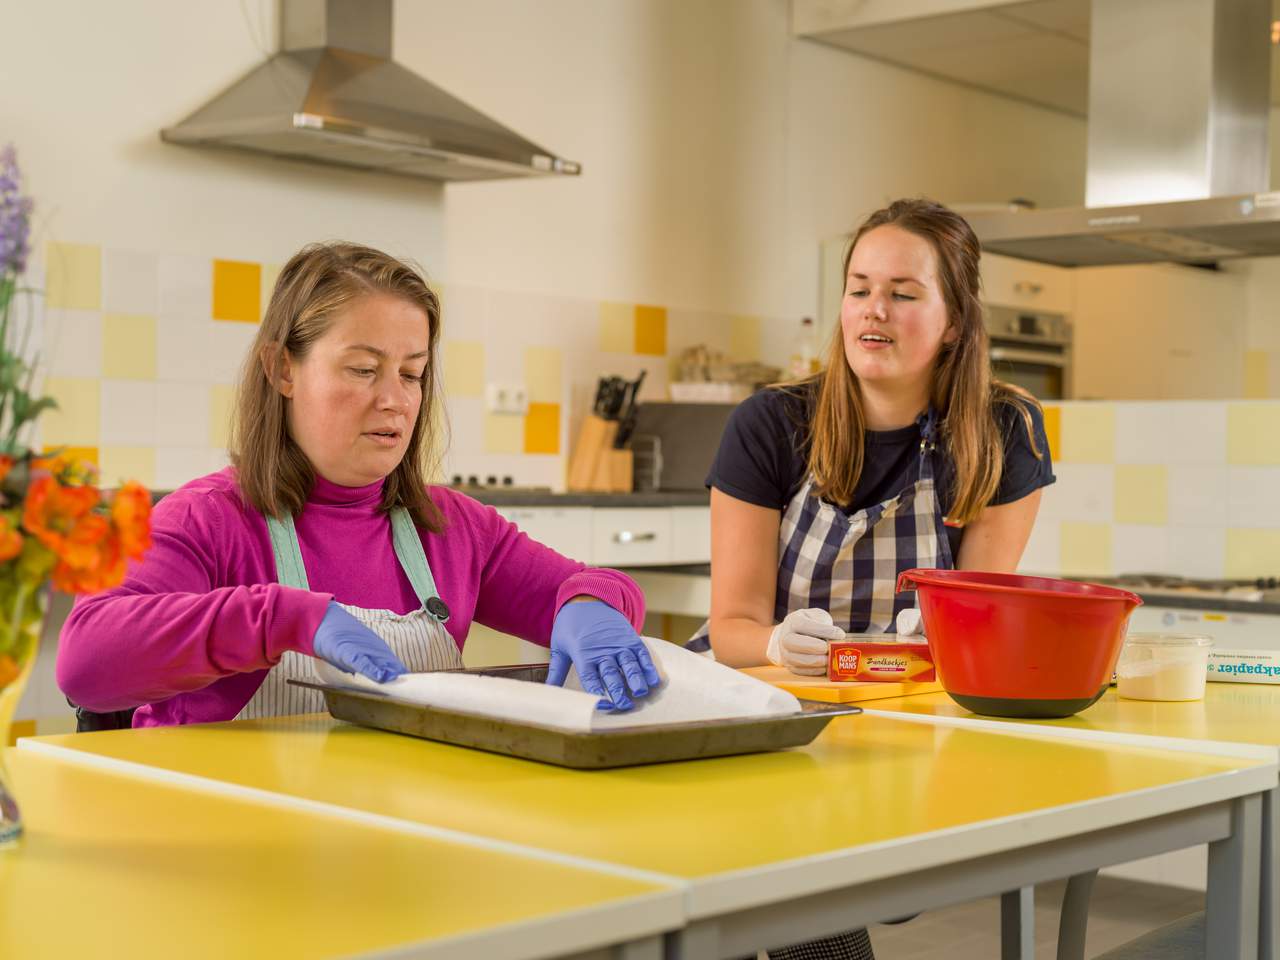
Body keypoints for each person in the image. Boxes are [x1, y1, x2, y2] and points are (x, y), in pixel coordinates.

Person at [57, 242, 661, 727]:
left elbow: (593, 584)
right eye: (363, 370)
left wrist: (593, 607)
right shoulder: (204, 520)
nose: (395, 401)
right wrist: (276, 618)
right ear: (281, 369)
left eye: (412, 373)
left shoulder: (451, 528)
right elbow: (85, 662)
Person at [689, 198, 1055, 960]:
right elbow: (729, 631)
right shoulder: (772, 424)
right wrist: (778, 646)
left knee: (832, 889)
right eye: (859, 287)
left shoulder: (1003, 431)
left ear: (955, 321)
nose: (872, 310)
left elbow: (978, 628)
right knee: (760, 897)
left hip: (900, 723)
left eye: (904, 292)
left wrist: (946, 638)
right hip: (764, 712)